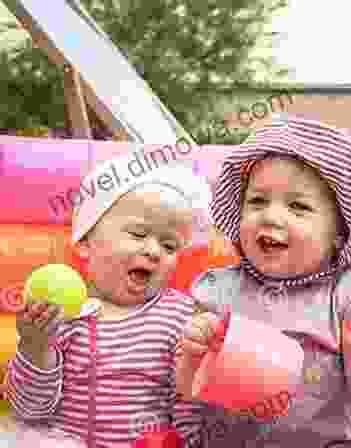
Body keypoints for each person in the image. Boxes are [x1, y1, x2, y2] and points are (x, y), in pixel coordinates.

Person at [176, 114, 351, 447]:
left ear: (339, 233)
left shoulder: (345, 292)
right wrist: (192, 354)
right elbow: (188, 387)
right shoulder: (220, 290)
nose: (271, 215)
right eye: (257, 201)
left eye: (298, 206)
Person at [4, 151, 212, 447]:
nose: (154, 251)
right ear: (86, 243)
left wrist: (194, 371)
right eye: (138, 233)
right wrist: (35, 347)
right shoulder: (61, 313)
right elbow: (28, 411)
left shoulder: (180, 317)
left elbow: (191, 420)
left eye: (169, 245)